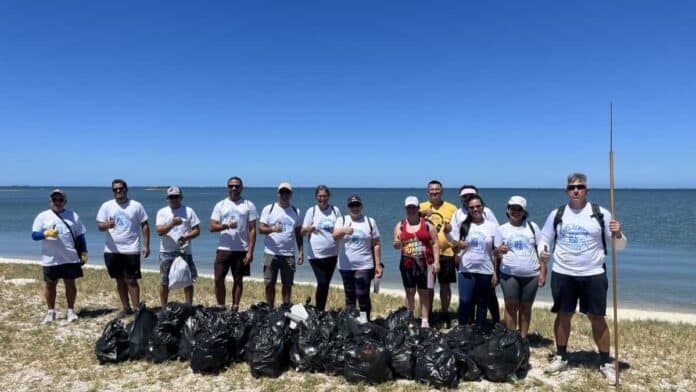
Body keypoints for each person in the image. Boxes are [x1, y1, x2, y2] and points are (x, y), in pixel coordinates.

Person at [539, 173, 626, 385]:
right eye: (571, 187)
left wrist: (618, 234)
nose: (576, 190)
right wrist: (543, 251)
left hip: (593, 273)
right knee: (563, 314)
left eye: (580, 186)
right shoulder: (557, 213)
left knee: (597, 317)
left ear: (587, 190)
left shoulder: (600, 213)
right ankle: (561, 356)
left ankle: (605, 361)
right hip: (563, 272)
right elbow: (544, 238)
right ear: (566, 191)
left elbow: (619, 246)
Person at [493, 196, 549, 338]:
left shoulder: (532, 227)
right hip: (509, 274)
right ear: (507, 210)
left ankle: (523, 339)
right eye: (512, 208)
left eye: (519, 209)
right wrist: (498, 252)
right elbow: (495, 253)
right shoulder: (501, 229)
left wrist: (543, 272)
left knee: (526, 307)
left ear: (524, 211)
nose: (515, 211)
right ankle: (512, 338)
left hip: (531, 275)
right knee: (511, 306)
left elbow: (541, 249)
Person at [31, 189, 88, 324]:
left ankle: (71, 311)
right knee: (50, 285)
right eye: (54, 200)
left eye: (60, 200)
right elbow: (34, 235)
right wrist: (46, 234)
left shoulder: (73, 216)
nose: (57, 202)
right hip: (50, 259)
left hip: (70, 257)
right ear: (50, 201)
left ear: (65, 201)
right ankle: (51, 312)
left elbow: (80, 235)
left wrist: (84, 252)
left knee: (70, 284)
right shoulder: (42, 216)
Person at [96, 179, 150, 317]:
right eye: (115, 189)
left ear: (126, 189)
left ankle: (137, 309)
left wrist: (146, 245)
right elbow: (100, 226)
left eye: (121, 188)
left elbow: (144, 225)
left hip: (131, 249)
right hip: (112, 250)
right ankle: (126, 309)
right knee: (119, 280)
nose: (118, 191)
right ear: (113, 191)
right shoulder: (106, 206)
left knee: (131, 280)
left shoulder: (136, 206)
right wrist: (107, 225)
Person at [449, 185, 501, 323]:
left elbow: (497, 247)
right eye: (465, 197)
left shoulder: (490, 220)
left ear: (482, 206)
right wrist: (456, 250)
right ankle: (464, 328)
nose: (475, 209)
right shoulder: (460, 219)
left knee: (484, 300)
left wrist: (496, 271)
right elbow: (454, 242)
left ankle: (485, 326)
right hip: (466, 266)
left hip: (486, 268)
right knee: (466, 300)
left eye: (478, 206)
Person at [210, 176, 258, 311]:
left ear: (242, 188)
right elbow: (212, 227)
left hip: (241, 249)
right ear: (227, 187)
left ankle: (235, 308)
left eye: (237, 186)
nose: (234, 188)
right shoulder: (220, 205)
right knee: (218, 279)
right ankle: (221, 307)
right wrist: (226, 226)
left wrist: (250, 251)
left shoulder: (249, 205)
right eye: (231, 186)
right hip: (223, 248)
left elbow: (253, 229)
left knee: (238, 280)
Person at [333, 194, 383, 321]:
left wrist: (377, 265)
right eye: (351, 205)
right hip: (345, 265)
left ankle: (364, 320)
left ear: (361, 206)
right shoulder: (342, 220)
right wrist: (344, 230)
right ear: (348, 207)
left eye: (357, 205)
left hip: (365, 264)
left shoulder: (369, 221)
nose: (354, 207)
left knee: (362, 294)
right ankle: (352, 321)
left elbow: (376, 243)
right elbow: (334, 236)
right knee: (350, 295)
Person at [394, 196, 440, 328]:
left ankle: (425, 320)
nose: (411, 210)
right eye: (409, 207)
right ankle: (410, 316)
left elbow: (435, 243)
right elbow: (396, 244)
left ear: (418, 208)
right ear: (405, 209)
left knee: (424, 292)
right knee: (409, 291)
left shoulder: (427, 225)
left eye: (414, 207)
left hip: (425, 263)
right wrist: (397, 244)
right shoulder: (400, 225)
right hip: (407, 263)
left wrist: (437, 262)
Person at [419, 180, 457, 326]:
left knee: (445, 286)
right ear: (427, 192)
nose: (434, 192)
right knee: (428, 286)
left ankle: (445, 313)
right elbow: (410, 222)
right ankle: (427, 314)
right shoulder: (420, 207)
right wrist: (421, 214)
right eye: (431, 190)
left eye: (437, 190)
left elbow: (457, 228)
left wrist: (450, 230)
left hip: (446, 252)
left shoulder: (451, 208)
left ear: (442, 191)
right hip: (426, 253)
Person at [258, 182, 303, 308]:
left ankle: (285, 307)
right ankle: (270, 308)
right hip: (271, 253)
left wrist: (301, 251)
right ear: (278, 193)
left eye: (287, 192)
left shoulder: (296, 211)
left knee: (287, 284)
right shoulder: (269, 208)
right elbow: (261, 229)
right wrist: (272, 229)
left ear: (291, 194)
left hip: (289, 254)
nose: (284, 195)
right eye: (282, 192)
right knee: (269, 283)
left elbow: (298, 233)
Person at [155, 186, 200, 308]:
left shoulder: (189, 211)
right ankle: (164, 307)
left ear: (181, 197)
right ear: (167, 198)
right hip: (166, 252)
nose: (174, 199)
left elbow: (197, 230)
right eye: (171, 197)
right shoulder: (162, 212)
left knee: (188, 280)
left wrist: (186, 237)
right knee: (164, 282)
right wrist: (172, 223)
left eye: (176, 196)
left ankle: (189, 306)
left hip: (185, 251)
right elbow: (159, 231)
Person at [301, 185, 341, 311]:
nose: (322, 198)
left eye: (324, 196)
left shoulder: (335, 211)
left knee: (325, 284)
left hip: (333, 254)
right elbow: (302, 231)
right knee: (322, 282)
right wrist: (308, 229)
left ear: (328, 197)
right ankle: (319, 309)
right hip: (316, 255)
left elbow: (340, 229)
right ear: (316, 197)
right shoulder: (311, 211)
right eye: (320, 196)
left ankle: (321, 310)